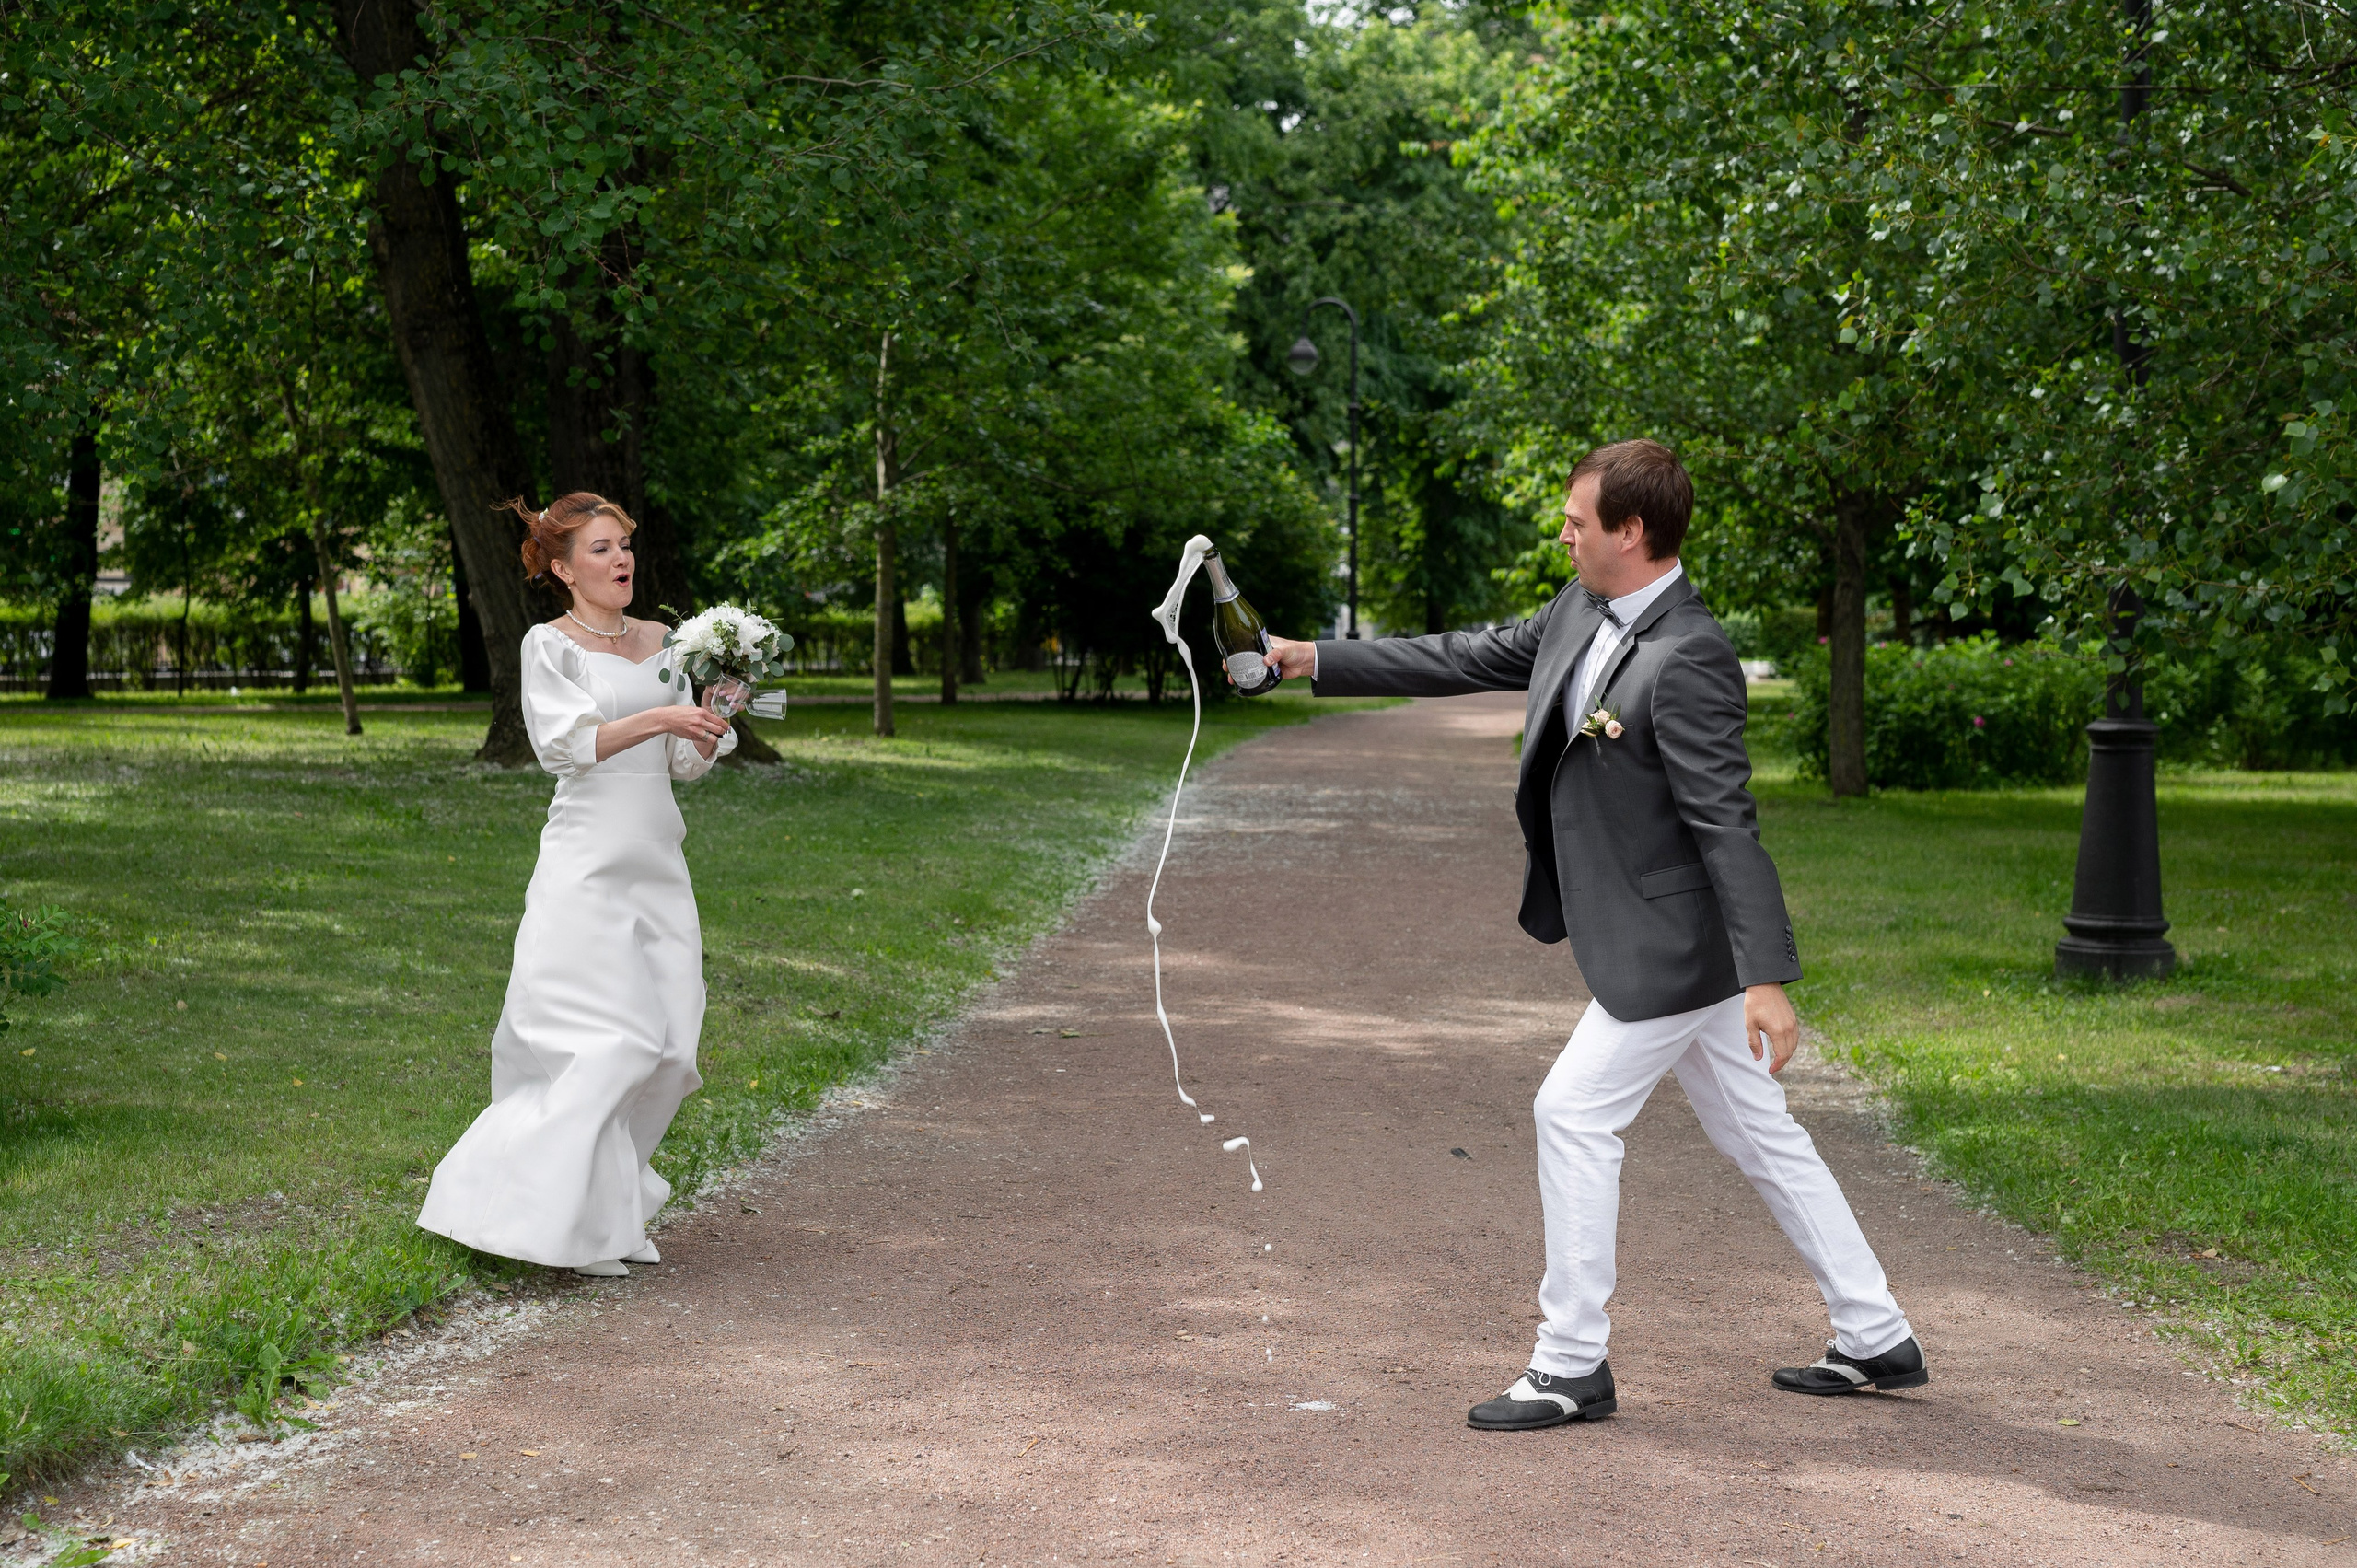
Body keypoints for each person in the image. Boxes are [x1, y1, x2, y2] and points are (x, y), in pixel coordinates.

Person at [1261, 439, 1925, 1429]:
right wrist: (1304, 657)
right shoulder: (1577, 607)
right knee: (1762, 1136)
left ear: (1633, 530)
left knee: (1569, 1111)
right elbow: (1464, 653)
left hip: (1671, 941)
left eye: (1578, 520)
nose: (1562, 533)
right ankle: (1874, 1331)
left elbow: (1724, 821)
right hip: (1658, 935)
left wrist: (1768, 974)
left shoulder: (1690, 653)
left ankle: (1571, 1361)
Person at [418, 492, 736, 1278]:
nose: (620, 558)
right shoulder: (548, 646)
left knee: (669, 1047)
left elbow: (683, 764)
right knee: (607, 1044)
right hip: (586, 866)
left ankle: (612, 1209)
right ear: (561, 568)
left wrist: (713, 717)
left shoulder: (667, 642)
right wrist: (665, 720)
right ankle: (555, 1223)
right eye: (600, 548)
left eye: (624, 544)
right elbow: (567, 745)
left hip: (658, 863)